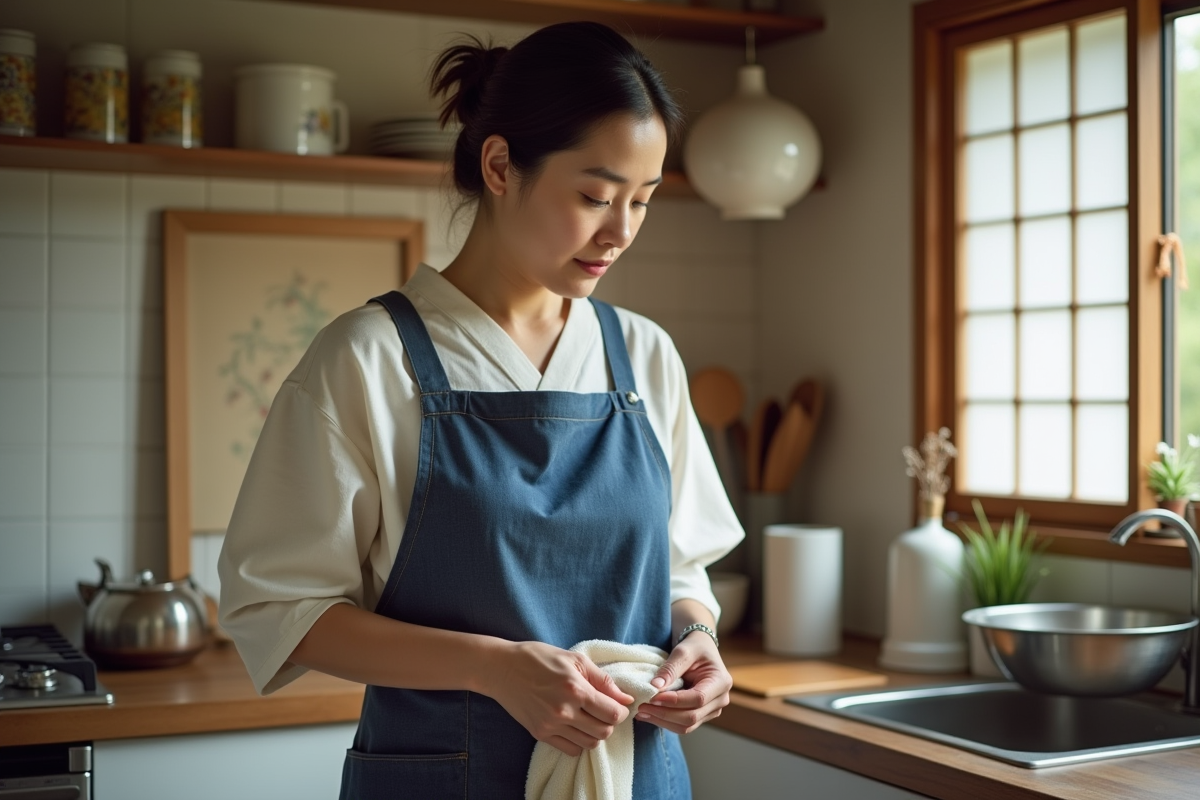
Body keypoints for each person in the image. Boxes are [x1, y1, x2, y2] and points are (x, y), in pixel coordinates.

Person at [218, 20, 744, 799]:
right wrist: (493, 668)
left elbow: (677, 564)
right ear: (499, 165)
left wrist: (698, 636)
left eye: (643, 200)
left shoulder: (643, 356)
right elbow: (281, 607)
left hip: (633, 775)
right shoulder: (368, 359)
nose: (622, 231)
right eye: (596, 196)